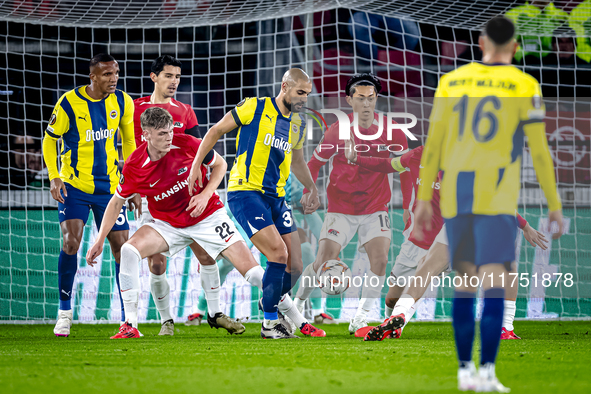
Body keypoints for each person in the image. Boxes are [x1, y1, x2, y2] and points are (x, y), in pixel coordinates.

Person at [412, 17, 564, 391]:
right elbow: (540, 153)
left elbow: (433, 146)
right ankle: (488, 373)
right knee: (495, 285)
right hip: (497, 198)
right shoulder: (524, 84)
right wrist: (554, 205)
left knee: (464, 284)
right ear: (514, 47)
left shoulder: (452, 82)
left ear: (481, 44)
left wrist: (421, 200)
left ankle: (465, 372)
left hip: (458, 197)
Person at [86, 107, 263, 339]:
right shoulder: (134, 165)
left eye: (170, 131)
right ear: (146, 135)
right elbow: (116, 201)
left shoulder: (188, 142)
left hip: (205, 216)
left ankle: (285, 315)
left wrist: (206, 194)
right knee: (131, 251)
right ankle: (132, 324)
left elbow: (221, 165)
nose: (169, 137)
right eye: (162, 134)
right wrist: (99, 240)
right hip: (166, 223)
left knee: (244, 270)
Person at [187, 68, 326, 339]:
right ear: (285, 86)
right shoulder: (254, 107)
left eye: (307, 94)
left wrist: (311, 187)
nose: (303, 99)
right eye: (300, 92)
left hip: (277, 196)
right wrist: (196, 167)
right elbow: (215, 131)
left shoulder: (298, 122)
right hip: (246, 192)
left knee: (296, 265)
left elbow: (297, 159)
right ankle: (270, 322)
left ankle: (269, 301)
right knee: (277, 254)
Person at [293, 73, 410, 334]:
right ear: (349, 100)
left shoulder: (393, 131)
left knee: (379, 260)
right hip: (340, 208)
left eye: (371, 98)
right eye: (360, 99)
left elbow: (406, 169)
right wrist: (308, 190)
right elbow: (313, 164)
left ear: (376, 99)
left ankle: (361, 318)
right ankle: (297, 306)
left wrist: (408, 206)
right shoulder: (337, 131)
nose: (366, 104)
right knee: (323, 260)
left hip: (375, 207)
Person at [42, 53, 137, 337]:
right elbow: (49, 139)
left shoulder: (123, 101)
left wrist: (132, 183)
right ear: (92, 76)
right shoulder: (69, 103)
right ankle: (65, 312)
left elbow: (130, 141)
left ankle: (127, 318)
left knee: (123, 247)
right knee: (71, 242)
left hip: (110, 189)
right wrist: (54, 176)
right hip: (75, 186)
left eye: (116, 73)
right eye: (107, 74)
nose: (114, 79)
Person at [132, 55, 217, 334]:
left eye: (178, 77)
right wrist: (132, 189)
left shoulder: (185, 112)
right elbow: (126, 148)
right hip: (152, 195)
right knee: (156, 262)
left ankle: (214, 313)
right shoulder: (134, 108)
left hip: (184, 195)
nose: (174, 82)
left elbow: (199, 154)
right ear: (153, 76)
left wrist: (203, 190)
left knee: (206, 254)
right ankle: (166, 320)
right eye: (168, 76)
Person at [505, 1, 569, 63]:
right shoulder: (513, 14)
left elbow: (571, 43)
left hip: (554, 65)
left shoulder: (561, 16)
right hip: (523, 64)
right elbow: (509, 43)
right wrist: (522, 57)